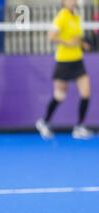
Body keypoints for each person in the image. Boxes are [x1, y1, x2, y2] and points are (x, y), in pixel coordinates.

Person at [36, 0, 94, 140]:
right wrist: (67, 42)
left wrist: (82, 44)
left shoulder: (77, 17)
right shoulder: (61, 17)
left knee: (86, 93)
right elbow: (51, 36)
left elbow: (76, 38)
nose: (72, 2)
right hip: (63, 61)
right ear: (63, 2)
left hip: (77, 61)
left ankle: (79, 127)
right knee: (59, 96)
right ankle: (44, 122)